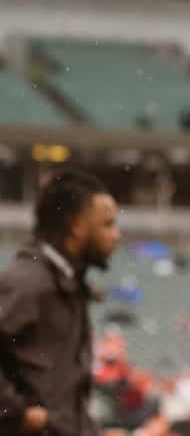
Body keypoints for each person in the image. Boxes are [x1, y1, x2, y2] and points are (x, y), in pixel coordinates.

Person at [0, 168, 121, 435]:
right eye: (107, 224)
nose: (116, 235)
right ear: (76, 226)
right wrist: (18, 414)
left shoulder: (67, 282)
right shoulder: (29, 281)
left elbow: (63, 392)